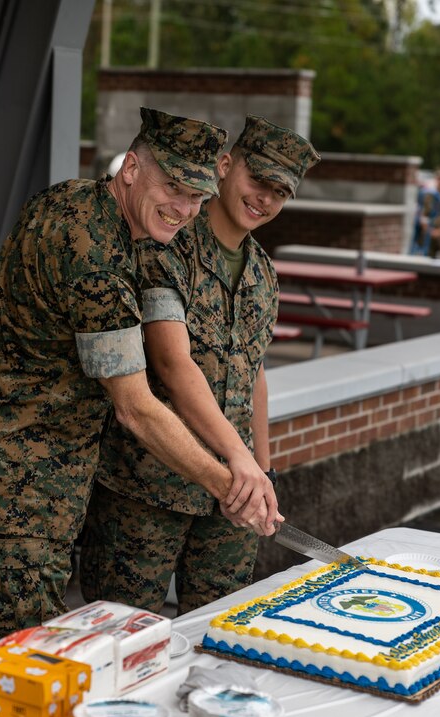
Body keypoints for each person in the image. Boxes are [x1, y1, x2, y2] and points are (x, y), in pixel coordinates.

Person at [0, 108, 280, 709]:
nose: (184, 209)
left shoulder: (86, 208)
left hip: (24, 481)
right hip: (13, 493)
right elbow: (137, 407)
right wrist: (229, 484)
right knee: (25, 680)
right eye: (173, 188)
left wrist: (242, 458)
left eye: (197, 195)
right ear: (131, 169)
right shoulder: (93, 254)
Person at [80, 115, 320, 615]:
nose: (265, 199)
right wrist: (240, 463)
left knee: (224, 629)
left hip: (230, 498)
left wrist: (263, 471)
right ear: (225, 166)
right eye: (258, 180)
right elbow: (172, 363)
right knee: (121, 633)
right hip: (145, 488)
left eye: (280, 192)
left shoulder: (262, 272)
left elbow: (254, 375)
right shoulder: (167, 244)